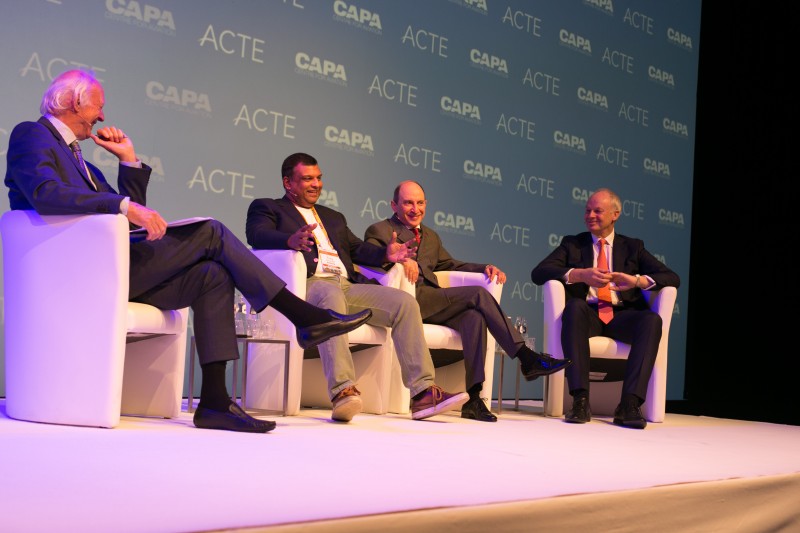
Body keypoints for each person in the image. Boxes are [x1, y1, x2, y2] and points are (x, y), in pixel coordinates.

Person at [4, 69, 373, 434]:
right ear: (73, 102)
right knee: (211, 231)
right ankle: (303, 316)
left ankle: (214, 401)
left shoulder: (82, 162)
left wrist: (128, 161)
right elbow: (44, 193)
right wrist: (123, 205)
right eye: (97, 107)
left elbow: (130, 223)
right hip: (80, 271)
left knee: (213, 276)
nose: (101, 117)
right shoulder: (31, 134)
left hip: (114, 265)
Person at [245, 153, 470, 422]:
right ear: (288, 183)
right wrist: (288, 241)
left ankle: (422, 393)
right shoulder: (268, 207)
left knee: (404, 303)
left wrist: (387, 254)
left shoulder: (333, 217)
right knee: (330, 296)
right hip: (308, 286)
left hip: (346, 285)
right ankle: (342, 391)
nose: (316, 184)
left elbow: (357, 249)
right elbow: (256, 234)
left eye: (318, 178)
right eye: (307, 179)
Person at [365, 181, 571, 422]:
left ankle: (474, 398)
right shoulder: (380, 230)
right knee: (478, 294)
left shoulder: (430, 236)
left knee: (474, 318)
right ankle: (526, 357)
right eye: (408, 203)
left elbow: (451, 265)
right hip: (407, 300)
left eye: (420, 203)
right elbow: (368, 260)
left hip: (434, 301)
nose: (415, 209)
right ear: (394, 205)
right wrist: (396, 260)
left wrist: (484, 268)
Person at [530, 188, 680, 429]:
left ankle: (629, 404)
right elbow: (539, 273)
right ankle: (580, 400)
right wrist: (580, 274)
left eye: (597, 211)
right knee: (574, 308)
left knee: (652, 320)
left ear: (615, 215)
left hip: (621, 315)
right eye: (587, 211)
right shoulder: (573, 244)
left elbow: (672, 277)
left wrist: (636, 281)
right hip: (588, 314)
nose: (590, 215)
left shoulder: (633, 247)